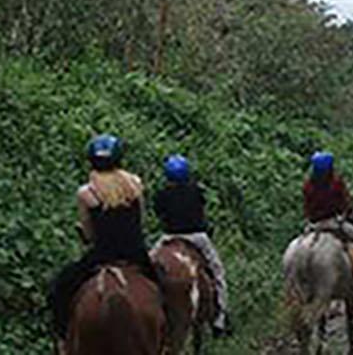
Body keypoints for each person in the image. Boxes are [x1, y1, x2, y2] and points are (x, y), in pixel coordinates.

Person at [48, 134, 160, 341]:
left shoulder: (86, 193)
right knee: (165, 289)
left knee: (60, 288)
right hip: (135, 253)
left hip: (102, 255)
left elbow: (90, 235)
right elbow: (141, 221)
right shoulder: (135, 184)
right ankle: (166, 340)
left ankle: (63, 340)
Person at [152, 154, 232, 336]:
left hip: (169, 236)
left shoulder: (161, 194)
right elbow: (202, 209)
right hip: (197, 237)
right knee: (217, 271)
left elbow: (159, 214)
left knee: (146, 266)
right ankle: (220, 316)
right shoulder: (196, 190)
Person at [302, 151, 353, 290]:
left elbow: (306, 206)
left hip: (313, 225)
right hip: (334, 222)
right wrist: (347, 212)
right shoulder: (336, 182)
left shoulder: (308, 184)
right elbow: (345, 202)